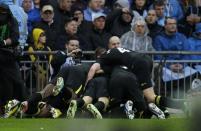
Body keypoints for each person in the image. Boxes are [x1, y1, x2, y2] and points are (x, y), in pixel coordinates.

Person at [0, 3, 26, 114]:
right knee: (3, 85)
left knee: (17, 82)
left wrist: (3, 42)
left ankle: (23, 107)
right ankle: (4, 108)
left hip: (9, 56)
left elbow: (15, 37)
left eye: (3, 13)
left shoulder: (12, 20)